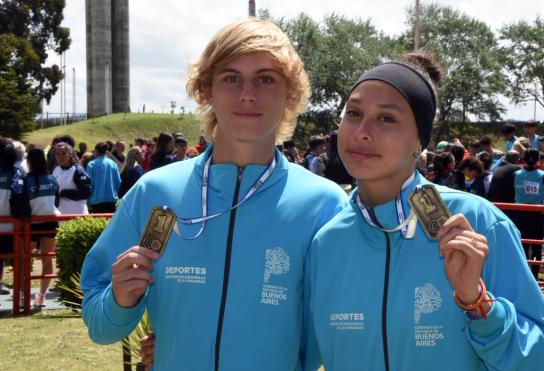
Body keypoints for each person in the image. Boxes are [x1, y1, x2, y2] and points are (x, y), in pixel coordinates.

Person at [80, 18, 347, 370]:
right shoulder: (154, 193)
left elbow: (342, 330)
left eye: (265, 78)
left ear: (291, 94)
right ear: (207, 90)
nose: (247, 93)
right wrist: (119, 301)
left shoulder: (325, 205)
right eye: (231, 78)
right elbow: (100, 326)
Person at [302, 53, 544, 370]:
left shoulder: (478, 224)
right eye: (353, 113)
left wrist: (478, 303)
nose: (362, 131)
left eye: (387, 118)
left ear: (419, 141)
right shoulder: (326, 242)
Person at [513, 148, 544, 280]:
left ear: (524, 159)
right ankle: (534, 276)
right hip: (536, 214)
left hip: (520, 213)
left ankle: (524, 275)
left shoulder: (516, 174)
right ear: (538, 160)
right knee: (536, 246)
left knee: (523, 245)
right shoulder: (543, 175)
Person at [24, 148, 60, 307]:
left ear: (29, 161)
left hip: (31, 223)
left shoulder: (26, 180)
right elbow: (56, 202)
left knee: (24, 259)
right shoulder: (52, 179)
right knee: (47, 259)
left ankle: (22, 295)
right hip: (50, 222)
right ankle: (41, 296)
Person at [0, 139, 28, 296]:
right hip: (11, 226)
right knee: (19, 259)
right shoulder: (16, 171)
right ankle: (22, 294)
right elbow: (18, 194)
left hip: (8, 225)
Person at [52, 142, 92, 215]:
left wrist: (64, 193)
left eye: (64, 153)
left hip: (77, 215)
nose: (60, 157)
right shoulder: (56, 170)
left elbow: (86, 193)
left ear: (70, 154)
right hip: (61, 215)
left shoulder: (78, 171)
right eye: (57, 154)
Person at [86, 142, 121, 213]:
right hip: (111, 201)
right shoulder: (113, 163)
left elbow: (89, 184)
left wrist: (88, 201)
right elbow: (118, 182)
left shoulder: (91, 164)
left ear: (96, 150)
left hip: (96, 202)